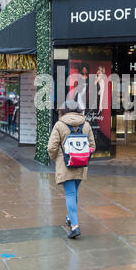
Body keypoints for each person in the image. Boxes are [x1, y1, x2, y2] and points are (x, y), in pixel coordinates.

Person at [47, 101, 96, 239]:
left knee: (69, 194)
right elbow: (93, 146)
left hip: (65, 164)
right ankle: (70, 218)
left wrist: (55, 158)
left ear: (63, 110)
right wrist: (84, 155)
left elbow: (51, 147)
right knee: (73, 193)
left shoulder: (59, 125)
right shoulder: (86, 124)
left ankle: (74, 226)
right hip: (81, 164)